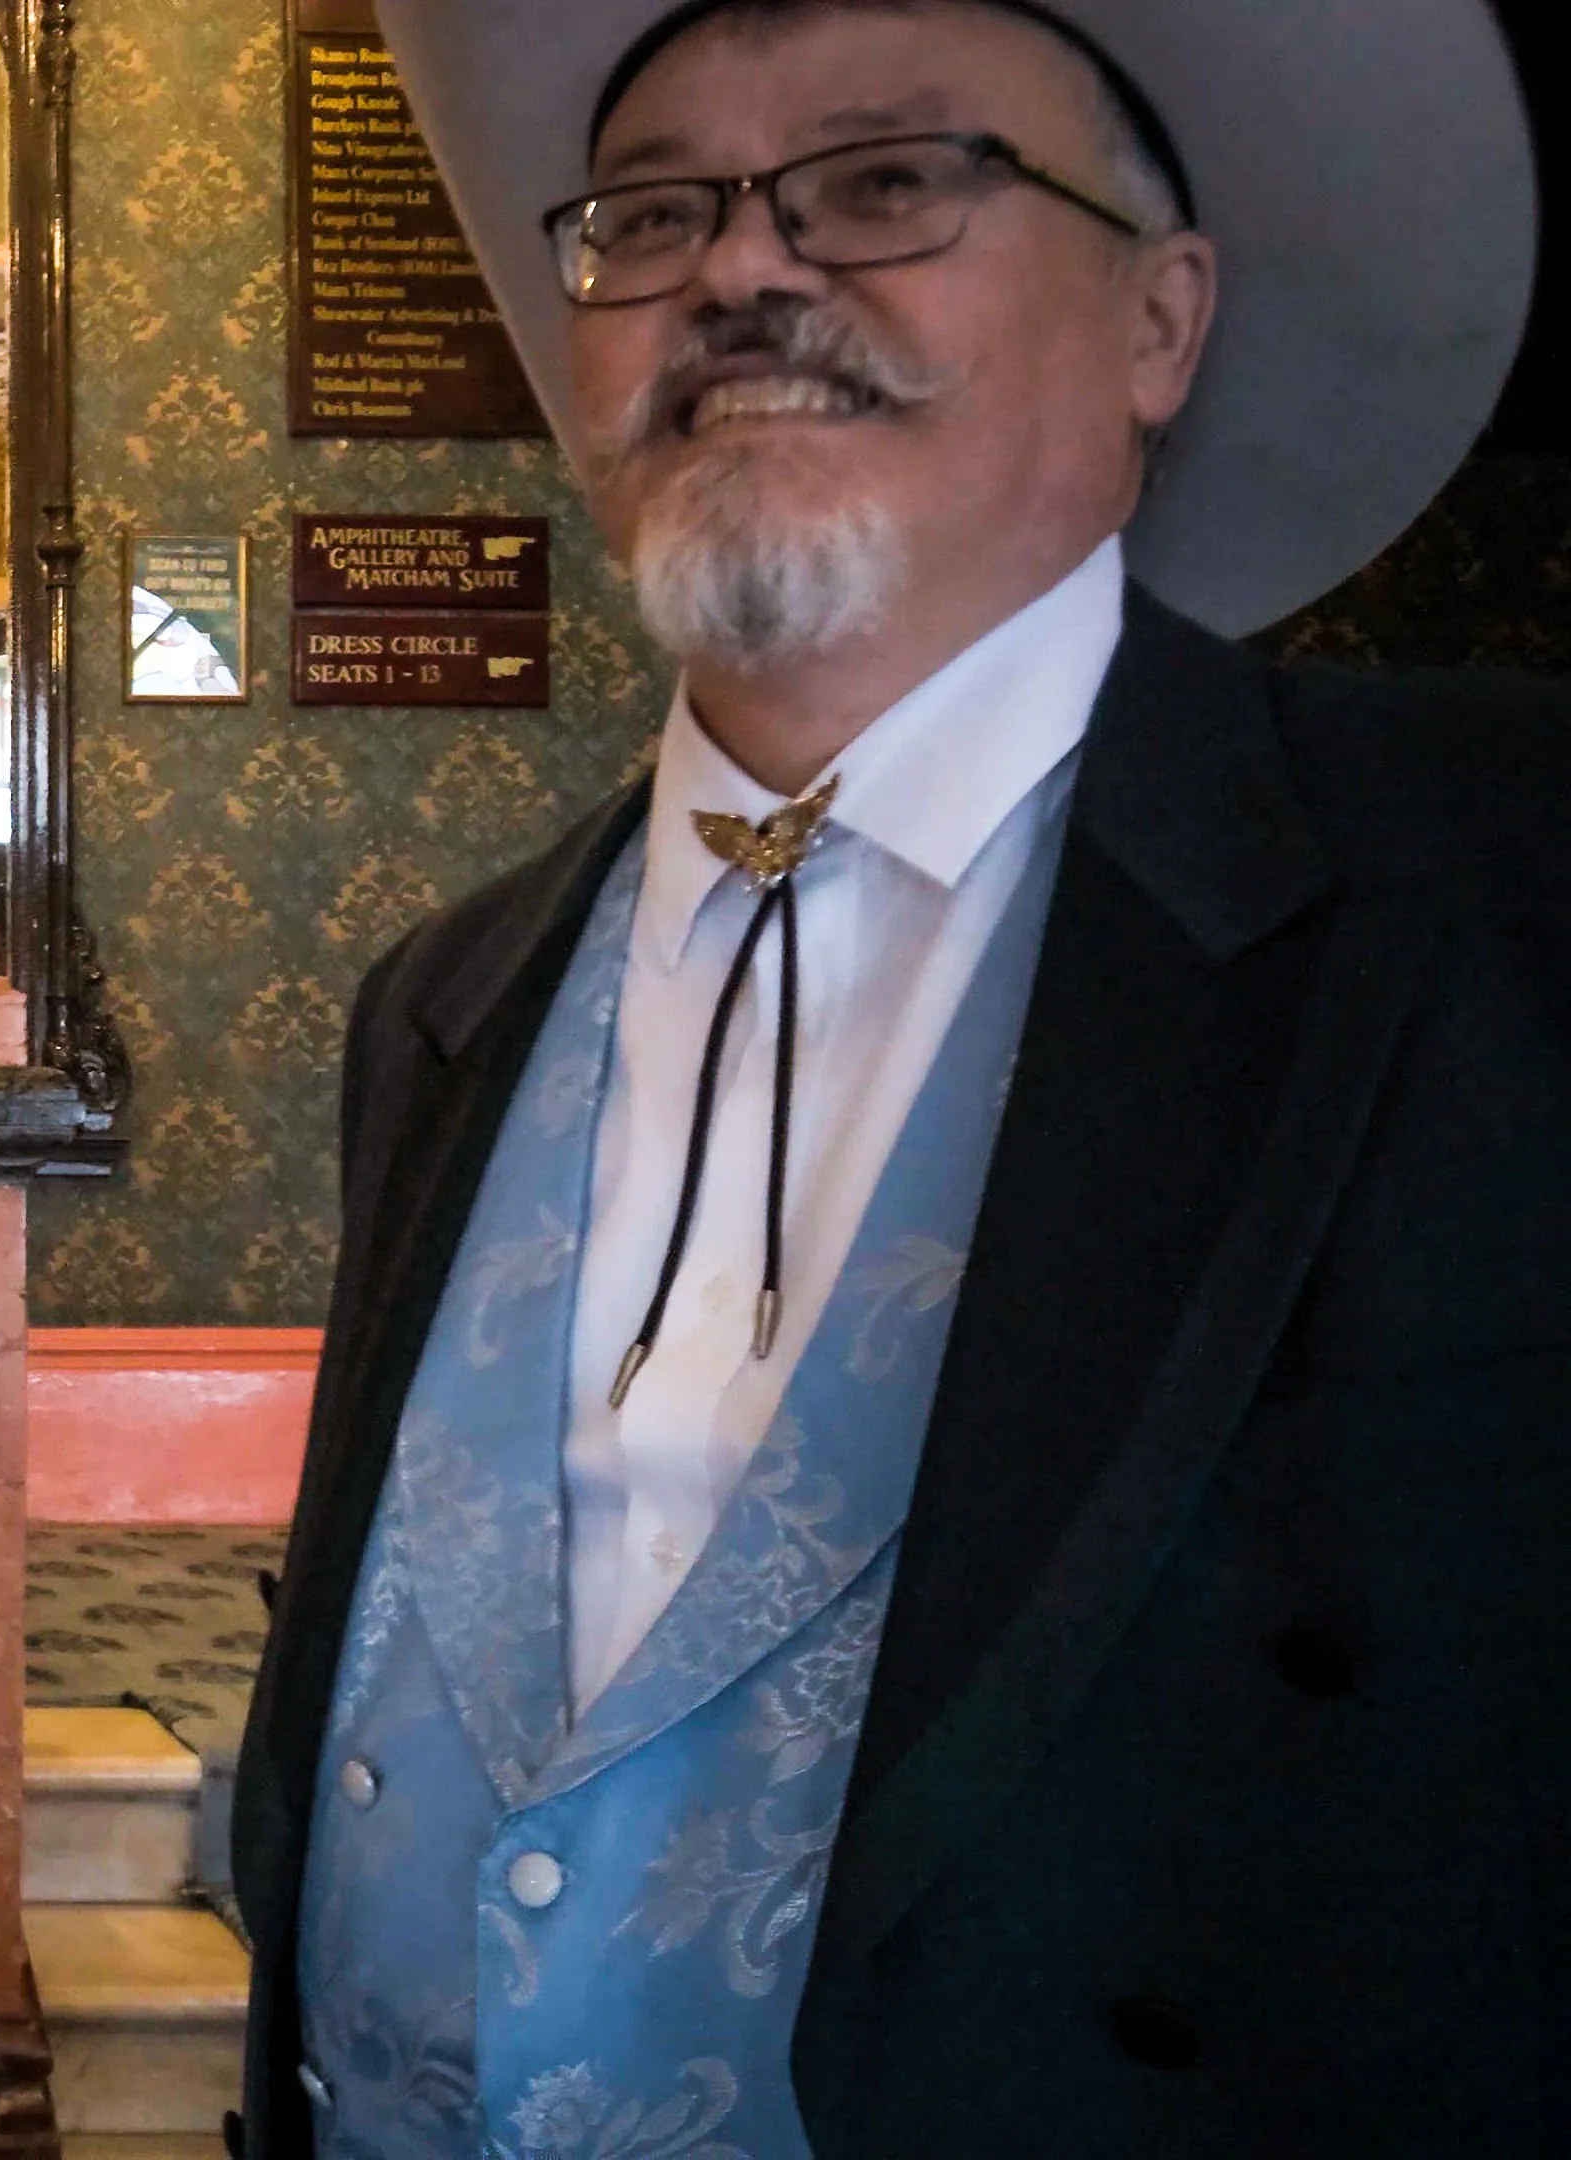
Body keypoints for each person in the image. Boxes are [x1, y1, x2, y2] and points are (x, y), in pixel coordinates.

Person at [230, 2, 1568, 2155]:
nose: (745, 271)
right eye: (656, 210)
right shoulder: (442, 997)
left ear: (1161, 320)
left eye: (885, 182)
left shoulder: (1502, 891)